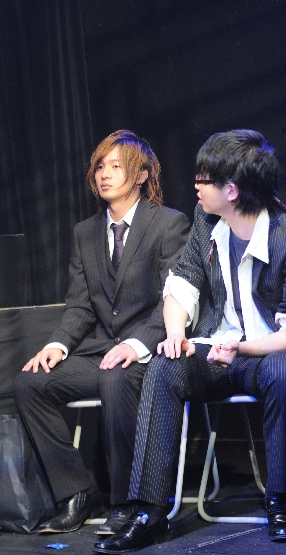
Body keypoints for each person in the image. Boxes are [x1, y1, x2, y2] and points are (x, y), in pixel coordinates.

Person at [94, 129, 286, 553]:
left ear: (232, 190)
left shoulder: (282, 233)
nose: (195, 185)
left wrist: (242, 348)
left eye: (204, 179)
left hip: (267, 351)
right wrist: (177, 333)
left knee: (283, 371)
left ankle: (281, 500)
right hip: (219, 346)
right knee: (164, 367)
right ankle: (148, 511)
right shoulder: (207, 219)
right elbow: (182, 283)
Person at [13, 129, 189, 535]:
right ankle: (76, 492)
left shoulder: (168, 224)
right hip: (101, 351)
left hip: (148, 352)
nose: (104, 174)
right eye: (99, 167)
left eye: (116, 166)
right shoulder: (85, 232)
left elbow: (175, 300)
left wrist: (136, 344)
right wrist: (57, 344)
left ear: (141, 175)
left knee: (116, 376)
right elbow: (79, 304)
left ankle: (125, 502)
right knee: (29, 383)